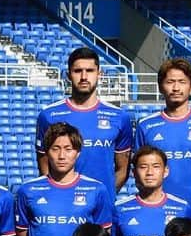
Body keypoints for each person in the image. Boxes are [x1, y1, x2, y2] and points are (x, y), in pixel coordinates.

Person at [135, 57, 191, 215]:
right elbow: (138, 172)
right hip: (158, 212)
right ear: (160, 87)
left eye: (182, 82)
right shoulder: (145, 125)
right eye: (170, 82)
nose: (176, 88)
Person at [36, 47, 133, 194]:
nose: (83, 77)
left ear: (99, 74)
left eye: (89, 71)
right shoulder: (49, 116)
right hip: (63, 203)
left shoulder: (120, 117)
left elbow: (123, 169)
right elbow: (44, 165)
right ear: (69, 75)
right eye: (77, 71)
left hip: (102, 211)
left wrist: (105, 197)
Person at [111, 146, 189, 236]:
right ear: (134, 173)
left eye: (156, 166)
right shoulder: (119, 209)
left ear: (166, 171)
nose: (149, 172)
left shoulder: (183, 208)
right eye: (143, 167)